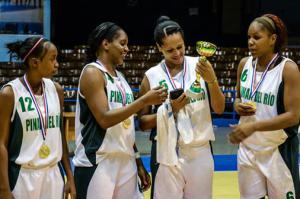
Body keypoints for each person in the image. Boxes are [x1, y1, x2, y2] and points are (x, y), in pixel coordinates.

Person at [72, 22, 168, 199]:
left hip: (126, 161)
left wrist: (138, 161)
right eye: (122, 43)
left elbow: (126, 125)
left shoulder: (121, 78)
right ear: (106, 44)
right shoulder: (93, 73)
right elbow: (104, 119)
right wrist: (144, 101)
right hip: (99, 160)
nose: (127, 49)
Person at [138, 16, 225, 199]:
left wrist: (212, 80)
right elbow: (143, 123)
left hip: (200, 151)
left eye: (180, 47)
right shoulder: (151, 76)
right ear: (159, 47)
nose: (177, 53)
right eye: (170, 50)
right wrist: (171, 109)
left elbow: (219, 108)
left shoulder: (200, 65)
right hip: (166, 152)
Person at [229, 14, 300, 199]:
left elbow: (294, 116)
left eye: (257, 37)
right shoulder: (244, 64)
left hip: (277, 149)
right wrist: (238, 106)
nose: (251, 42)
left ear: (273, 39)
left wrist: (253, 126)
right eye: (249, 37)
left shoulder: (288, 69)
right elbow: (237, 98)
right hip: (248, 149)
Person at [0, 37, 76, 199]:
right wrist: (4, 189)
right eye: (52, 59)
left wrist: (70, 176)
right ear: (35, 62)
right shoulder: (10, 93)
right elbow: (1, 144)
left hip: (53, 174)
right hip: (23, 176)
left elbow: (60, 136)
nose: (57, 64)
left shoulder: (56, 90)